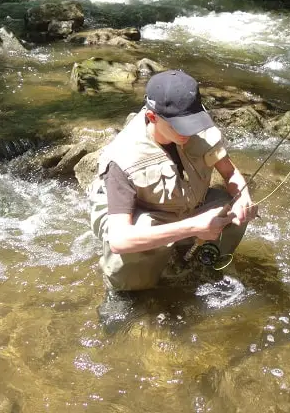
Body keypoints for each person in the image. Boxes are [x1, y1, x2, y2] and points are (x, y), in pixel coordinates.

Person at [89, 69, 259, 295]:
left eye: (192, 122)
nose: (188, 132)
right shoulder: (123, 157)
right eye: (179, 125)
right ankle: (125, 295)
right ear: (152, 118)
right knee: (133, 252)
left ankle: (202, 264)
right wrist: (194, 226)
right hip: (144, 212)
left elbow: (230, 174)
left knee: (229, 207)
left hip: (186, 204)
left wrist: (242, 199)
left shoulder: (199, 128)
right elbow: (120, 239)